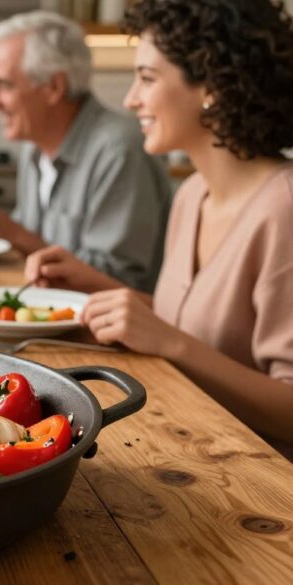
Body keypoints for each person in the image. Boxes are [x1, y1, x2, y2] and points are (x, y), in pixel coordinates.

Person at [25, 0, 293, 447]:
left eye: (147, 78)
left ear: (211, 83)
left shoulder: (283, 210)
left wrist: (170, 343)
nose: (131, 99)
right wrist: (97, 285)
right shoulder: (191, 195)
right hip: (192, 442)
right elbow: (203, 330)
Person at [0, 11, 172, 292]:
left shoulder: (119, 150)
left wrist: (14, 234)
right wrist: (1, 234)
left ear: (54, 87)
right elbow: (31, 242)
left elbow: (120, 283)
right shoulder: (33, 148)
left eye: (4, 85)